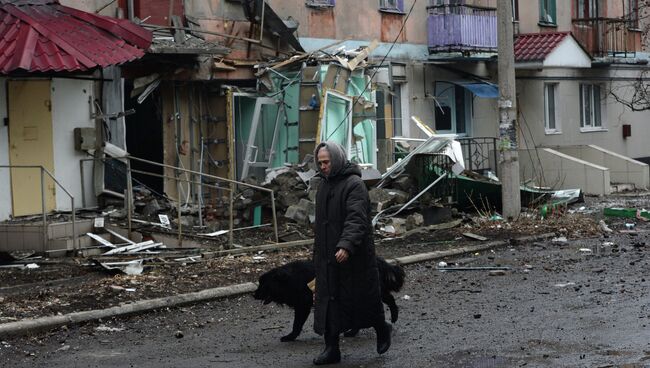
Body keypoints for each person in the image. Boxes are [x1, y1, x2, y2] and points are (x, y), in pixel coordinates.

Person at [311, 141, 392, 365]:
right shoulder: (324, 186)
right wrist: (317, 255)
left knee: (362, 299)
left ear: (336, 160)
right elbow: (321, 225)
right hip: (328, 256)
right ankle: (331, 348)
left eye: (326, 162)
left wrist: (346, 245)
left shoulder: (354, 184)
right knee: (329, 302)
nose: (323, 167)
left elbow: (357, 219)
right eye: (320, 163)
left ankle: (382, 328)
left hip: (354, 256)